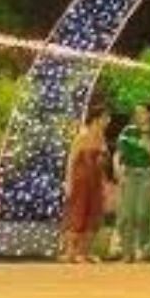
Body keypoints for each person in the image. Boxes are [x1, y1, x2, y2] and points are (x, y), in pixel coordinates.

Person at [62, 106, 111, 263]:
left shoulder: (101, 137)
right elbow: (71, 160)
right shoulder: (82, 136)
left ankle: (84, 252)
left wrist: (104, 182)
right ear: (96, 119)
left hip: (95, 181)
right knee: (78, 213)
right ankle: (71, 252)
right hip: (80, 181)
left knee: (93, 213)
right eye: (105, 118)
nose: (108, 121)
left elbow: (103, 162)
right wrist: (68, 181)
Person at [113, 103, 150, 261]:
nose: (139, 115)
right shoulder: (127, 132)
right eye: (136, 113)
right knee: (127, 214)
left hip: (148, 175)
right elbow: (118, 153)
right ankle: (127, 251)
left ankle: (142, 246)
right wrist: (117, 170)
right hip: (130, 174)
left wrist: (149, 149)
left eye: (142, 112)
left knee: (143, 213)